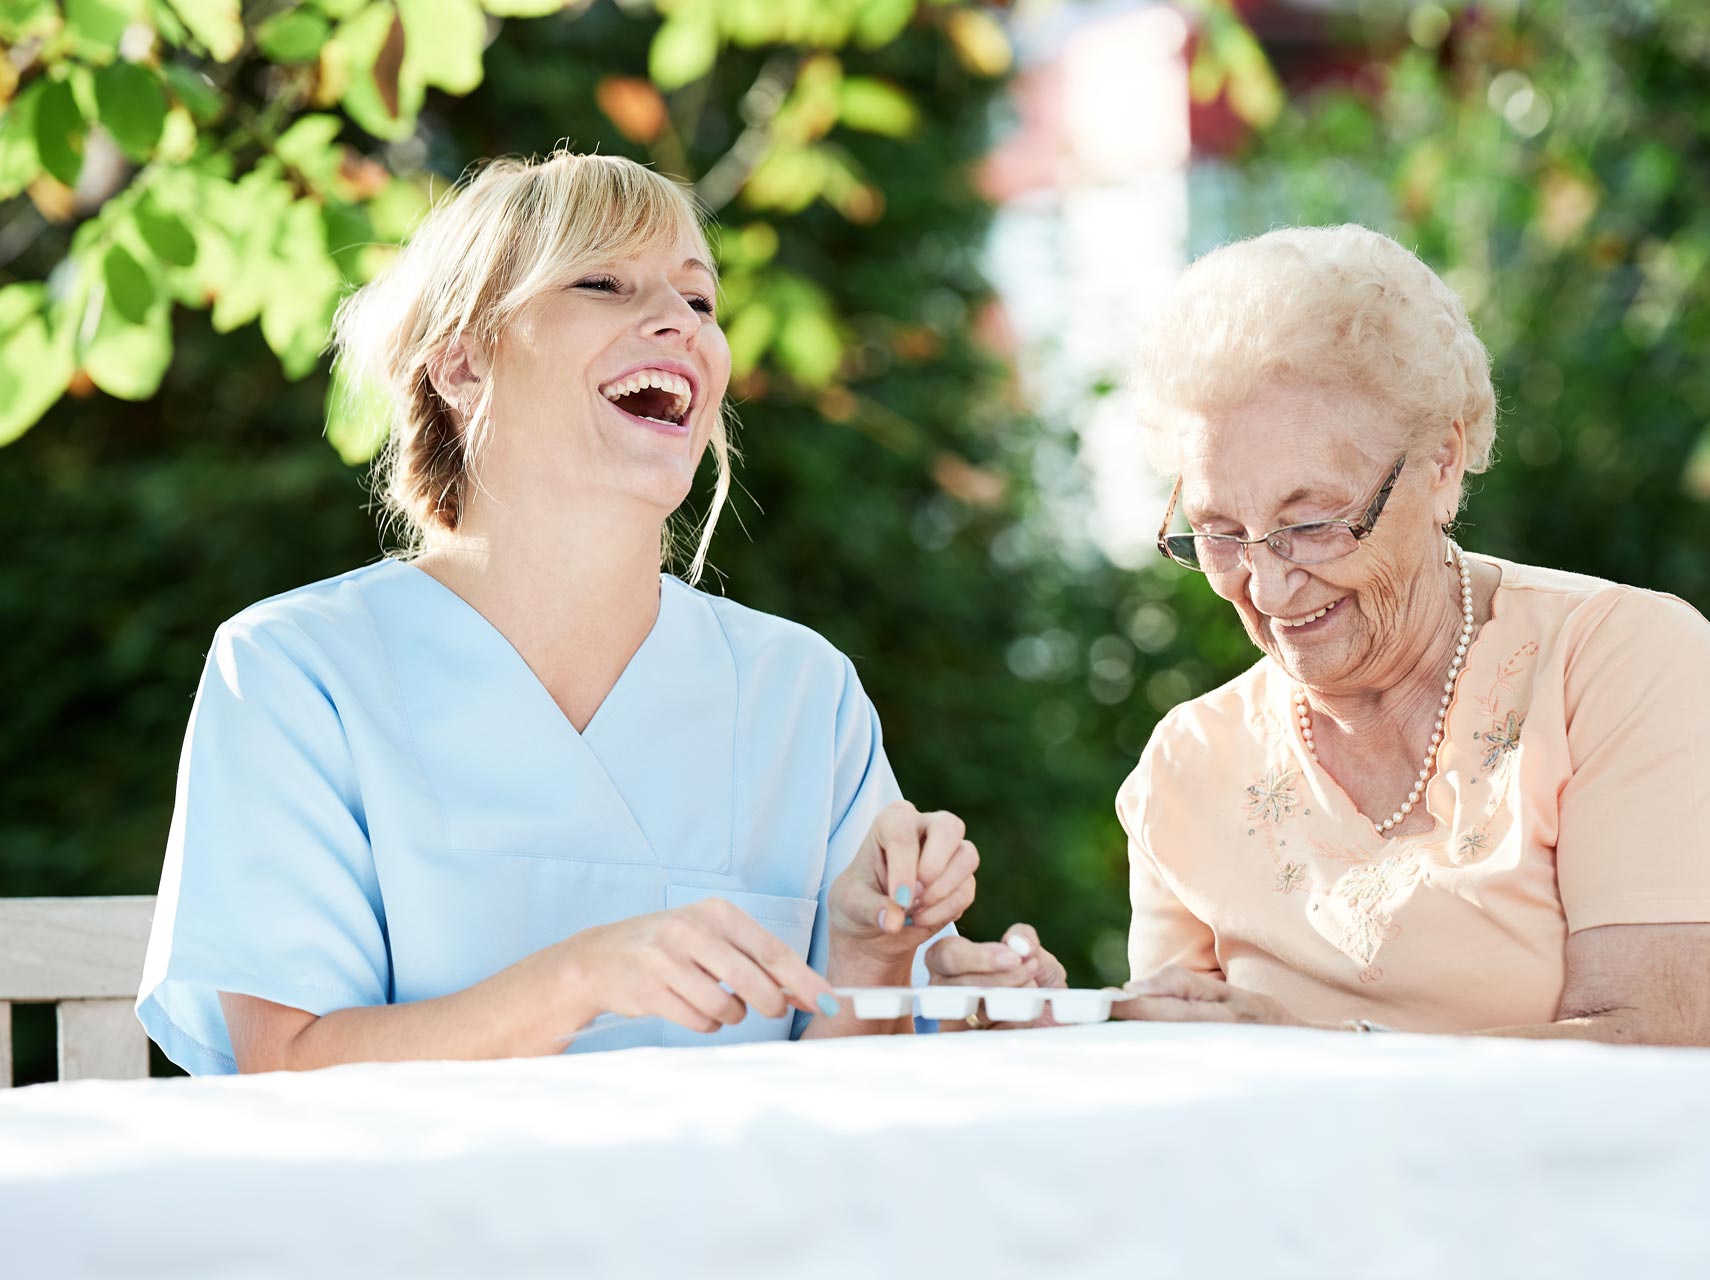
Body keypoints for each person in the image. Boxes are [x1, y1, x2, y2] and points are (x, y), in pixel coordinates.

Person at [137, 151, 1062, 1074]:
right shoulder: (296, 670)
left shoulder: (803, 691)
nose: (678, 324)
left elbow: (846, 1106)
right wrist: (583, 977)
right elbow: (283, 1070)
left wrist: (876, 959)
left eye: (700, 302)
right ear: (461, 365)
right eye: (606, 283)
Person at [1110, 224, 1710, 1273]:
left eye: (1315, 524)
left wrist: (1327, 1069)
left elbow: (1681, 1060)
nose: (1266, 585)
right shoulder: (1188, 768)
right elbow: (1190, 1106)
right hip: (1407, 1209)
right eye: (1219, 533)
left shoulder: (1623, 656)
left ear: (1442, 464)